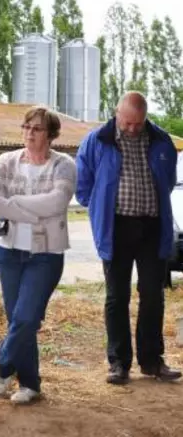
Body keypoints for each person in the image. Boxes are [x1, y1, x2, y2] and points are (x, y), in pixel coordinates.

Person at [76, 91, 181, 385]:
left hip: (152, 227)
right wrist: (100, 207)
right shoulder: (97, 141)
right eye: (128, 122)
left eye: (138, 123)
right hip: (116, 228)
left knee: (153, 295)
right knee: (116, 297)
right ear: (116, 113)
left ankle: (152, 362)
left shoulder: (160, 140)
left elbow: (168, 180)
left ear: (145, 117)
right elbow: (83, 186)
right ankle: (119, 363)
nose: (133, 129)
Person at [0, 107, 77, 404]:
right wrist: (33, 210)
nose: (29, 133)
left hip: (46, 254)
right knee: (17, 320)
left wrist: (16, 203)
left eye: (36, 129)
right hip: (8, 252)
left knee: (27, 318)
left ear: (50, 135)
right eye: (26, 127)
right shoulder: (4, 161)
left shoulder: (64, 165)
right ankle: (30, 384)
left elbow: (58, 201)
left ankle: (3, 365)